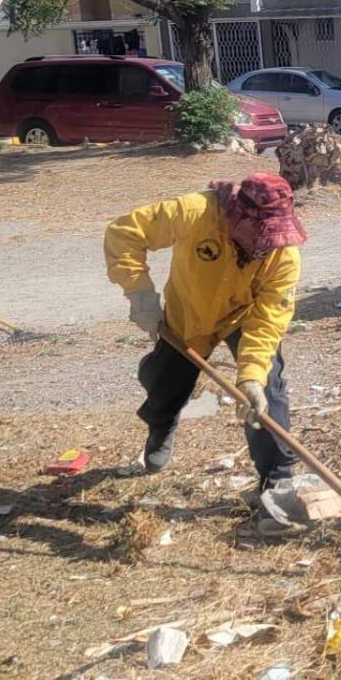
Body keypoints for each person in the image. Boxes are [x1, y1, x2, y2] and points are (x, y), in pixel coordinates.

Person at [105, 173, 306, 491]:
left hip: (243, 318)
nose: (266, 246)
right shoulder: (195, 211)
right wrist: (139, 293)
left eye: (273, 237)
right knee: (165, 385)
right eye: (259, 235)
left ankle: (277, 477)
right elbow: (124, 234)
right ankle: (161, 425)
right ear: (236, 215)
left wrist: (251, 377)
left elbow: (269, 320)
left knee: (265, 391)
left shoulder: (284, 254)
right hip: (188, 314)